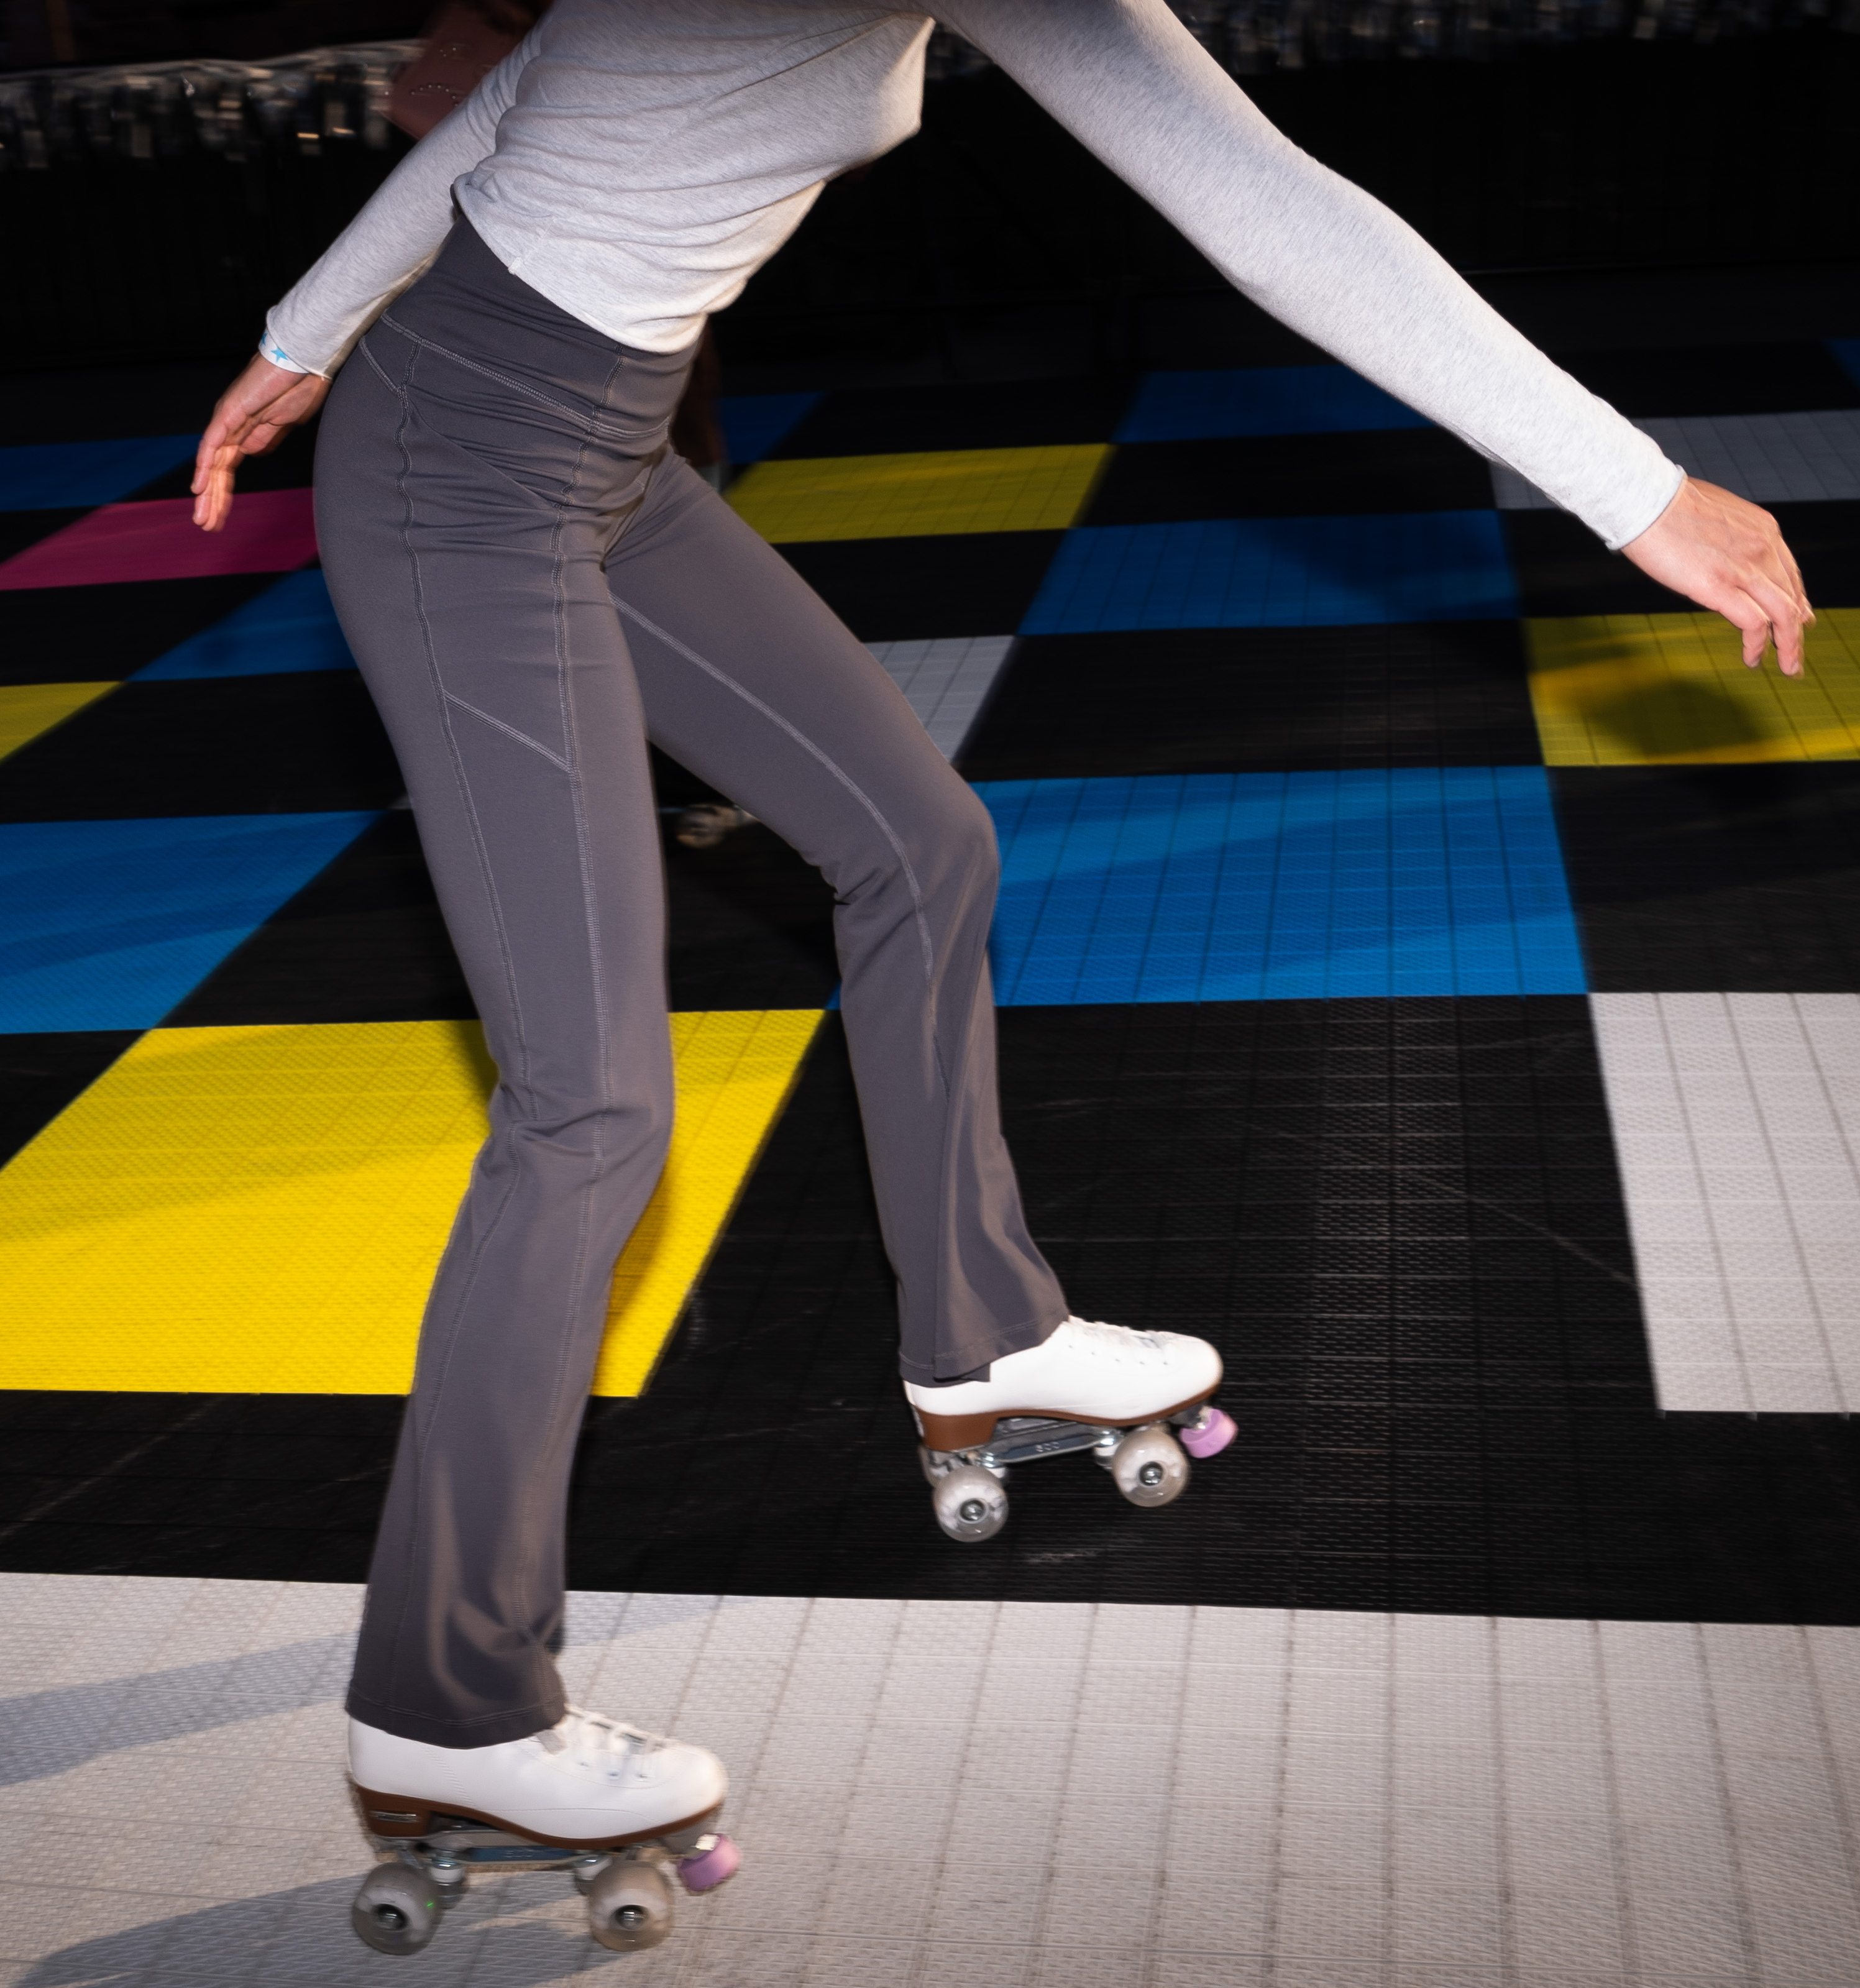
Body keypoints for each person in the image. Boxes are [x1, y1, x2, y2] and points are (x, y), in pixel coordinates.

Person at [191, 0, 1810, 1860]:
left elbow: (546, 97)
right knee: (588, 1107)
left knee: (918, 843)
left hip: (604, 459)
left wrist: (302, 329)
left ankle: (979, 1335)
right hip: (459, 476)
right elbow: (1262, 203)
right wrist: (1632, 485)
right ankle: (444, 1705)